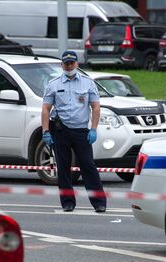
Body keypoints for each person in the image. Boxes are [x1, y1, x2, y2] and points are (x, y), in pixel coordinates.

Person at [41, 50, 106, 212]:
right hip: (61, 131)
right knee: (63, 169)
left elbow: (96, 107)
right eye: (66, 63)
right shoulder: (54, 84)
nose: (69, 66)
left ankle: (99, 203)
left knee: (88, 167)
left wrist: (93, 129)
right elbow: (45, 109)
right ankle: (68, 202)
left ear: (77, 64)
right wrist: (45, 131)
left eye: (72, 63)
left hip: (81, 132)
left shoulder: (87, 83)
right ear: (62, 65)